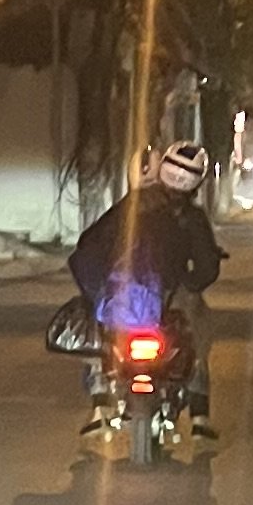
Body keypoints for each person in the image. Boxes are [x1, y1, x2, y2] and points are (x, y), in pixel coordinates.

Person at [72, 142, 224, 431]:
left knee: (97, 331)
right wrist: (189, 282)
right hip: (169, 295)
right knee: (199, 329)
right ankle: (199, 414)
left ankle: (99, 404)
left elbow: (91, 243)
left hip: (123, 291)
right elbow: (206, 269)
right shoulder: (191, 217)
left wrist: (102, 283)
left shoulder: (132, 205)